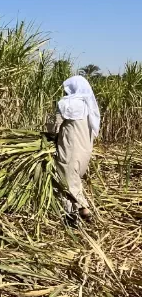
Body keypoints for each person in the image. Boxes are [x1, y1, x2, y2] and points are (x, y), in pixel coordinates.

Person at [52, 75, 100, 224]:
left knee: (65, 178)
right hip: (84, 151)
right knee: (73, 179)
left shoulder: (66, 104)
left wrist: (48, 137)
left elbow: (54, 127)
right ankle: (76, 212)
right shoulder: (88, 106)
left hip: (70, 148)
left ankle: (81, 210)